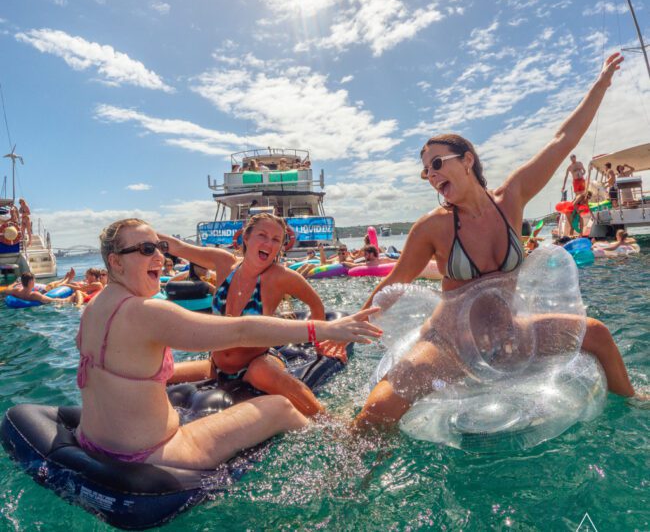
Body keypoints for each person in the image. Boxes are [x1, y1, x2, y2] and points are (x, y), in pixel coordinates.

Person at [355, 53, 642, 429]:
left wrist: (600, 85)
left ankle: (634, 408)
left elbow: (562, 139)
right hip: (450, 343)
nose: (430, 175)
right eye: (425, 170)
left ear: (467, 160)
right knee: (378, 410)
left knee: (598, 335)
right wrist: (348, 326)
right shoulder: (432, 227)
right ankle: (348, 483)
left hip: (510, 335)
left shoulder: (512, 199)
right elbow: (394, 284)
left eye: (437, 163)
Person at [75, 218, 380, 469]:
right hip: (153, 451)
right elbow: (238, 330)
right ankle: (342, 462)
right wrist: (328, 328)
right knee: (280, 409)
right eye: (145, 249)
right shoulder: (153, 309)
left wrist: (324, 337)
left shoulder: (93, 307)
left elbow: (310, 304)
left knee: (270, 382)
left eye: (158, 248)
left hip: (93, 440)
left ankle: (333, 426)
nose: (159, 257)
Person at [160, 213, 355, 415]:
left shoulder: (280, 276)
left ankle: (331, 423)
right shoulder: (224, 263)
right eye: (262, 235)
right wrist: (137, 236)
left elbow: (316, 304)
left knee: (264, 374)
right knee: (158, 373)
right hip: (215, 365)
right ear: (246, 237)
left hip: (256, 364)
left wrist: (321, 343)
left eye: (276, 240)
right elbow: (178, 247)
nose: (269, 244)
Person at [9, 272, 79, 305]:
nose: (35, 282)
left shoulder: (17, 291)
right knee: (50, 286)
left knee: (50, 285)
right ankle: (66, 279)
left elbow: (7, 290)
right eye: (34, 280)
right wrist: (69, 299)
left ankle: (65, 279)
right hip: (42, 294)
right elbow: (52, 300)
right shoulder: (34, 295)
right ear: (30, 282)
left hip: (34, 292)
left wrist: (14, 284)